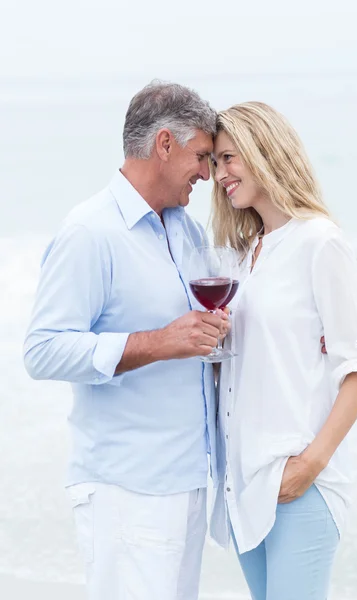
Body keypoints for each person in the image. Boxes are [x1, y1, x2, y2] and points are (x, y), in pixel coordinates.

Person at [23, 81, 230, 600]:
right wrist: (160, 342)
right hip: (126, 490)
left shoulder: (187, 232)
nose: (207, 174)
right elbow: (43, 349)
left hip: (187, 480)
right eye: (201, 156)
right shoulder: (90, 233)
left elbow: (201, 339)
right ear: (165, 144)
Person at [209, 101, 357, 600]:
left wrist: (311, 464)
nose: (221, 173)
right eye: (217, 161)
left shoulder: (318, 242)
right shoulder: (244, 257)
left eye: (230, 157)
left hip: (299, 484)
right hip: (243, 485)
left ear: (266, 151)